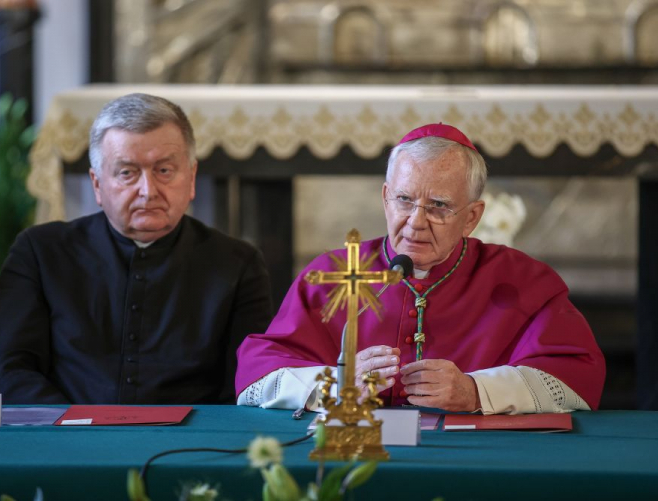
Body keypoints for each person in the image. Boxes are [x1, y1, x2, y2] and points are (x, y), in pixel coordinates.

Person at [235, 123, 605, 415]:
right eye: (404, 200)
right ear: (385, 198)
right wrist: (335, 382)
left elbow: (577, 377)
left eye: (439, 206)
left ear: (472, 217)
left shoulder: (521, 280)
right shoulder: (334, 274)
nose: (415, 222)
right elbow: (255, 377)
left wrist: (475, 391)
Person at [0, 93, 273, 404]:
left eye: (165, 171)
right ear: (97, 184)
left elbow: (249, 386)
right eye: (127, 173)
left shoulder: (238, 264)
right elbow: (4, 372)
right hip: (66, 443)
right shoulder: (40, 253)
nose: (148, 191)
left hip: (189, 447)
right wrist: (75, 429)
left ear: (192, 178)